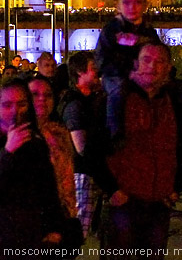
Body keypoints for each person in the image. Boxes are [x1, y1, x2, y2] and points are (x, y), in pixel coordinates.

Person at [104, 43, 178, 259]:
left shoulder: (171, 101)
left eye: (160, 61)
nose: (152, 66)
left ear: (168, 67)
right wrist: (111, 189)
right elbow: (95, 148)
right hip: (125, 200)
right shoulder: (118, 99)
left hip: (159, 201)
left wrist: (176, 185)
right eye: (147, 60)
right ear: (136, 64)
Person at [0, 81, 64, 249]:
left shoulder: (34, 141)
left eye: (22, 104)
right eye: (7, 105)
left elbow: (47, 188)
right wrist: (7, 152)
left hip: (31, 234)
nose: (15, 111)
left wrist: (54, 227)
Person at [60, 51, 117, 237]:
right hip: (85, 175)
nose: (98, 72)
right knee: (78, 233)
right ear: (79, 73)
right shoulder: (75, 105)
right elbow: (82, 148)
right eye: (93, 68)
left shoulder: (93, 100)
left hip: (95, 172)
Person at [95, 0, 161, 141]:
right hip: (115, 77)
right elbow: (101, 61)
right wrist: (129, 73)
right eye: (126, 2)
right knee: (118, 90)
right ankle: (114, 134)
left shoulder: (149, 32)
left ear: (145, 5)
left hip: (145, 76)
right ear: (118, 5)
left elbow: (160, 55)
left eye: (137, 2)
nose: (132, 7)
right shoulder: (111, 30)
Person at [28, 76, 77, 221]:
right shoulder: (16, 136)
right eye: (35, 94)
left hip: (62, 216)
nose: (42, 98)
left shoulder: (59, 133)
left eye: (48, 95)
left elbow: (67, 178)